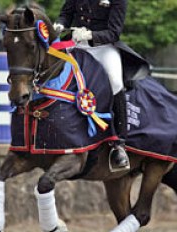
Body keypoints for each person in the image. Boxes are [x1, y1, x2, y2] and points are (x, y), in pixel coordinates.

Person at [53, 0, 130, 171]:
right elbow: (66, 13)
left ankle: (119, 144)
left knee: (115, 81)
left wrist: (91, 36)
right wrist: (60, 24)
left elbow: (114, 32)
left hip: (103, 47)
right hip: (76, 45)